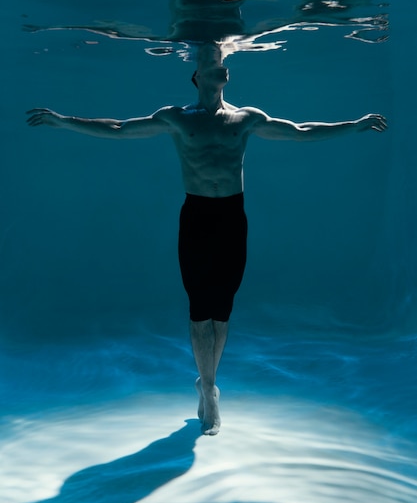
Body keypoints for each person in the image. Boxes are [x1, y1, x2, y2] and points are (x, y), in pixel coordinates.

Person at [26, 42, 387, 435]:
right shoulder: (177, 117)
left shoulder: (247, 118)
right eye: (212, 60)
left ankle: (208, 380)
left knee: (223, 309)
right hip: (197, 216)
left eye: (223, 60)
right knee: (200, 308)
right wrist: (64, 121)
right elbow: (118, 128)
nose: (221, 63)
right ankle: (210, 390)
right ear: (197, 75)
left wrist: (353, 125)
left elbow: (299, 132)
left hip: (232, 217)